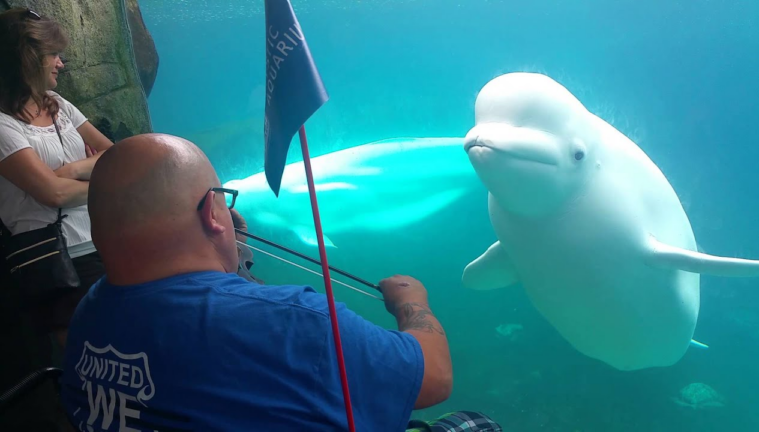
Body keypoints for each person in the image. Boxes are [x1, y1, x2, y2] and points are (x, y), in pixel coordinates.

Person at [59, 133, 454, 431]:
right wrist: (412, 302)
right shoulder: (296, 322)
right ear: (214, 216)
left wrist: (229, 256)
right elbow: (433, 379)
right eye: (223, 203)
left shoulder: (89, 313)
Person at [0, 8, 114, 432]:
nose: (61, 63)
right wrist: (87, 176)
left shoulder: (60, 106)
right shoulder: (2, 125)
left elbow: (115, 155)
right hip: (54, 259)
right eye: (53, 54)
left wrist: (68, 172)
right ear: (27, 58)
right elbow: (50, 194)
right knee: (91, 367)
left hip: (101, 242)